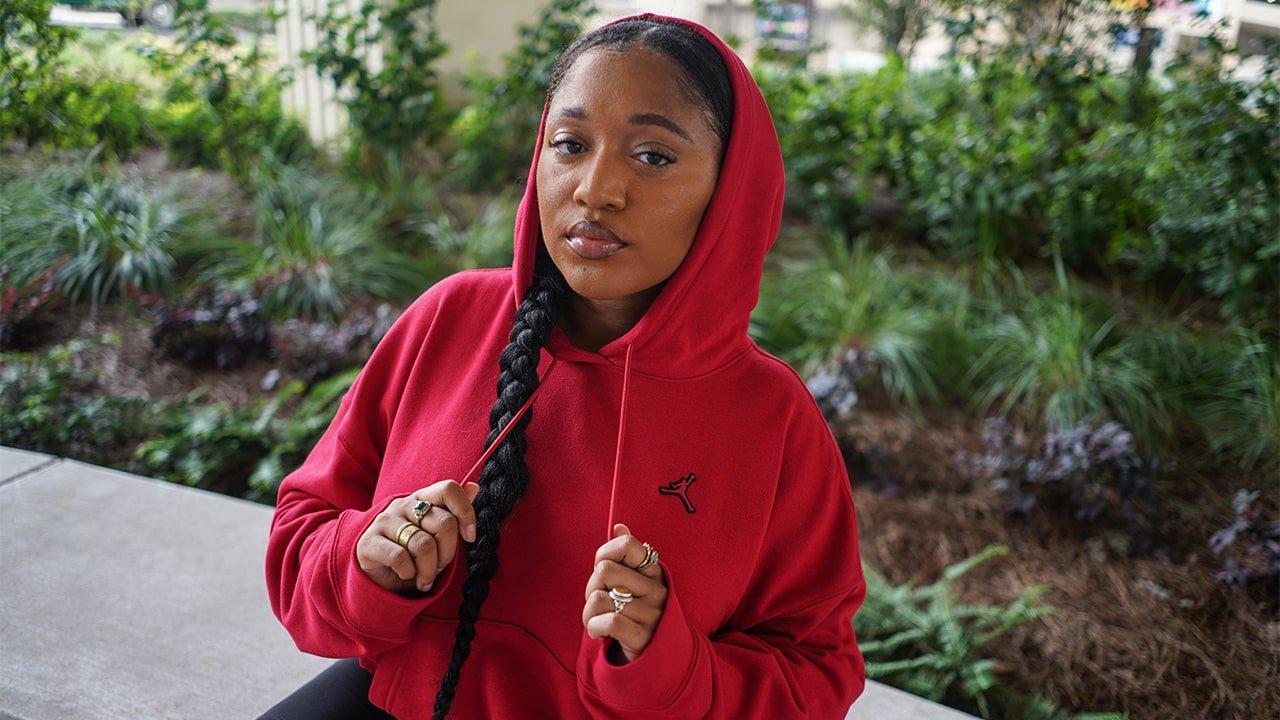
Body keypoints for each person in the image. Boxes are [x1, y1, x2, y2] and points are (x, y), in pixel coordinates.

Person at [261, 11, 867, 720]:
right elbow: (301, 535)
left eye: (653, 156)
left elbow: (815, 674)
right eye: (571, 144)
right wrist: (366, 561)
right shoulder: (449, 318)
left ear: (731, 190)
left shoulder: (772, 418)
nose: (596, 189)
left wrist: (669, 667)